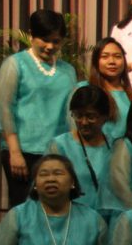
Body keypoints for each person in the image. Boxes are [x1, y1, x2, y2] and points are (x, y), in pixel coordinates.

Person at [0, 9, 77, 208]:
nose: (50, 46)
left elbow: (72, 113)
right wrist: (15, 152)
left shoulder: (68, 71)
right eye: (45, 40)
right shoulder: (15, 64)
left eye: (56, 41)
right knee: (25, 209)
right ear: (32, 35)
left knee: (54, 208)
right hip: (23, 151)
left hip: (57, 153)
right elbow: (4, 108)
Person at [46, 85, 114, 213]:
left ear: (105, 116)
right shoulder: (59, 146)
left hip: (110, 216)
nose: (84, 122)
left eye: (91, 116)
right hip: (72, 216)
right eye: (78, 115)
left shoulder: (116, 145)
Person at [83, 37, 132, 142]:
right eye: (105, 56)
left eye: (117, 56)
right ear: (96, 61)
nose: (112, 61)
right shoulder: (84, 90)